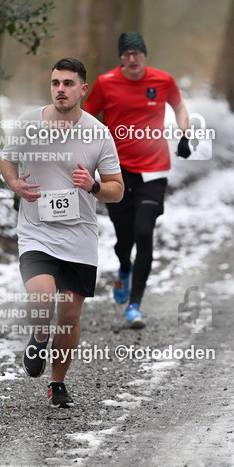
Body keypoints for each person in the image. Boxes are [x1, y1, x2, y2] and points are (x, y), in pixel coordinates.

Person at [1, 58, 125, 408]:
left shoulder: (98, 133)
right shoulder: (28, 122)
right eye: (55, 82)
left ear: (83, 89)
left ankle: (57, 384)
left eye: (68, 83)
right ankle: (40, 336)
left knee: (69, 313)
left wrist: (94, 185)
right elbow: (7, 159)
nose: (60, 89)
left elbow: (118, 189)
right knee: (42, 298)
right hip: (36, 231)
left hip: (79, 236)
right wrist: (14, 183)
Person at [85, 33, 190, 328]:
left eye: (137, 53)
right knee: (124, 238)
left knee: (144, 233)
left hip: (154, 171)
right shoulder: (106, 83)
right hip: (116, 171)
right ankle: (124, 267)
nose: (132, 59)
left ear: (145, 54)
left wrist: (184, 133)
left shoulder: (163, 81)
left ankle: (134, 306)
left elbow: (179, 107)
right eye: (126, 54)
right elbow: (87, 118)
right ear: (121, 57)